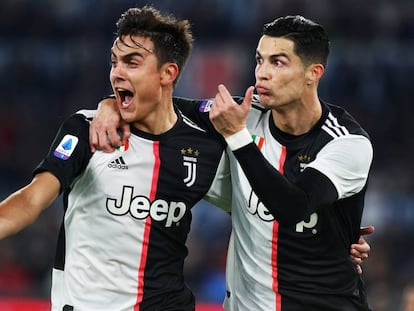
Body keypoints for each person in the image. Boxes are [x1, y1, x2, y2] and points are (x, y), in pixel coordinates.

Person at [91, 15, 374, 310]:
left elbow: (293, 207)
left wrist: (238, 137)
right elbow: (159, 104)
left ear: (313, 73)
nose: (262, 73)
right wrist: (109, 105)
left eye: (277, 62)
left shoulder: (347, 143)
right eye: (259, 60)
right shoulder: (244, 114)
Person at [0, 6, 229, 311]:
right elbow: (31, 201)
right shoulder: (86, 130)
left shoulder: (203, 147)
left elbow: (251, 210)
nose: (117, 72)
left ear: (168, 73)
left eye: (132, 62)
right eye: (114, 62)